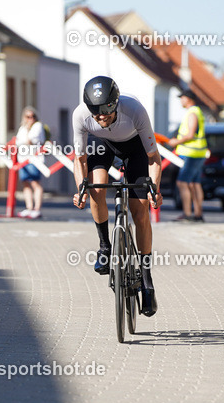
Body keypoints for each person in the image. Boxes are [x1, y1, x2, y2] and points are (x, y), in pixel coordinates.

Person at [72, 75, 163, 317]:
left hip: (134, 147)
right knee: (96, 189)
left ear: (116, 103)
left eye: (106, 112)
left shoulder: (134, 110)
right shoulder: (81, 116)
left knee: (140, 211)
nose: (101, 117)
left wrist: (155, 189)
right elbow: (80, 159)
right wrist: (81, 187)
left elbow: (154, 158)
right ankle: (104, 247)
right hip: (100, 144)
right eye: (96, 113)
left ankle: (146, 278)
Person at [166, 88, 207, 222]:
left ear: (188, 99)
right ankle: (198, 214)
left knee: (182, 183)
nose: (181, 100)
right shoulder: (196, 111)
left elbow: (190, 134)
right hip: (197, 152)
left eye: (182, 98)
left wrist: (175, 141)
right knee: (195, 184)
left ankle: (188, 214)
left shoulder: (192, 113)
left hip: (192, 153)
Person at [15, 106, 46, 219]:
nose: (30, 119)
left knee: (35, 184)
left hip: (34, 159)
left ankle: (37, 209)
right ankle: (29, 208)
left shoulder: (37, 126)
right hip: (23, 159)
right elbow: (18, 142)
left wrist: (25, 137)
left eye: (33, 116)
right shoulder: (22, 128)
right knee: (25, 184)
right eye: (28, 117)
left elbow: (30, 140)